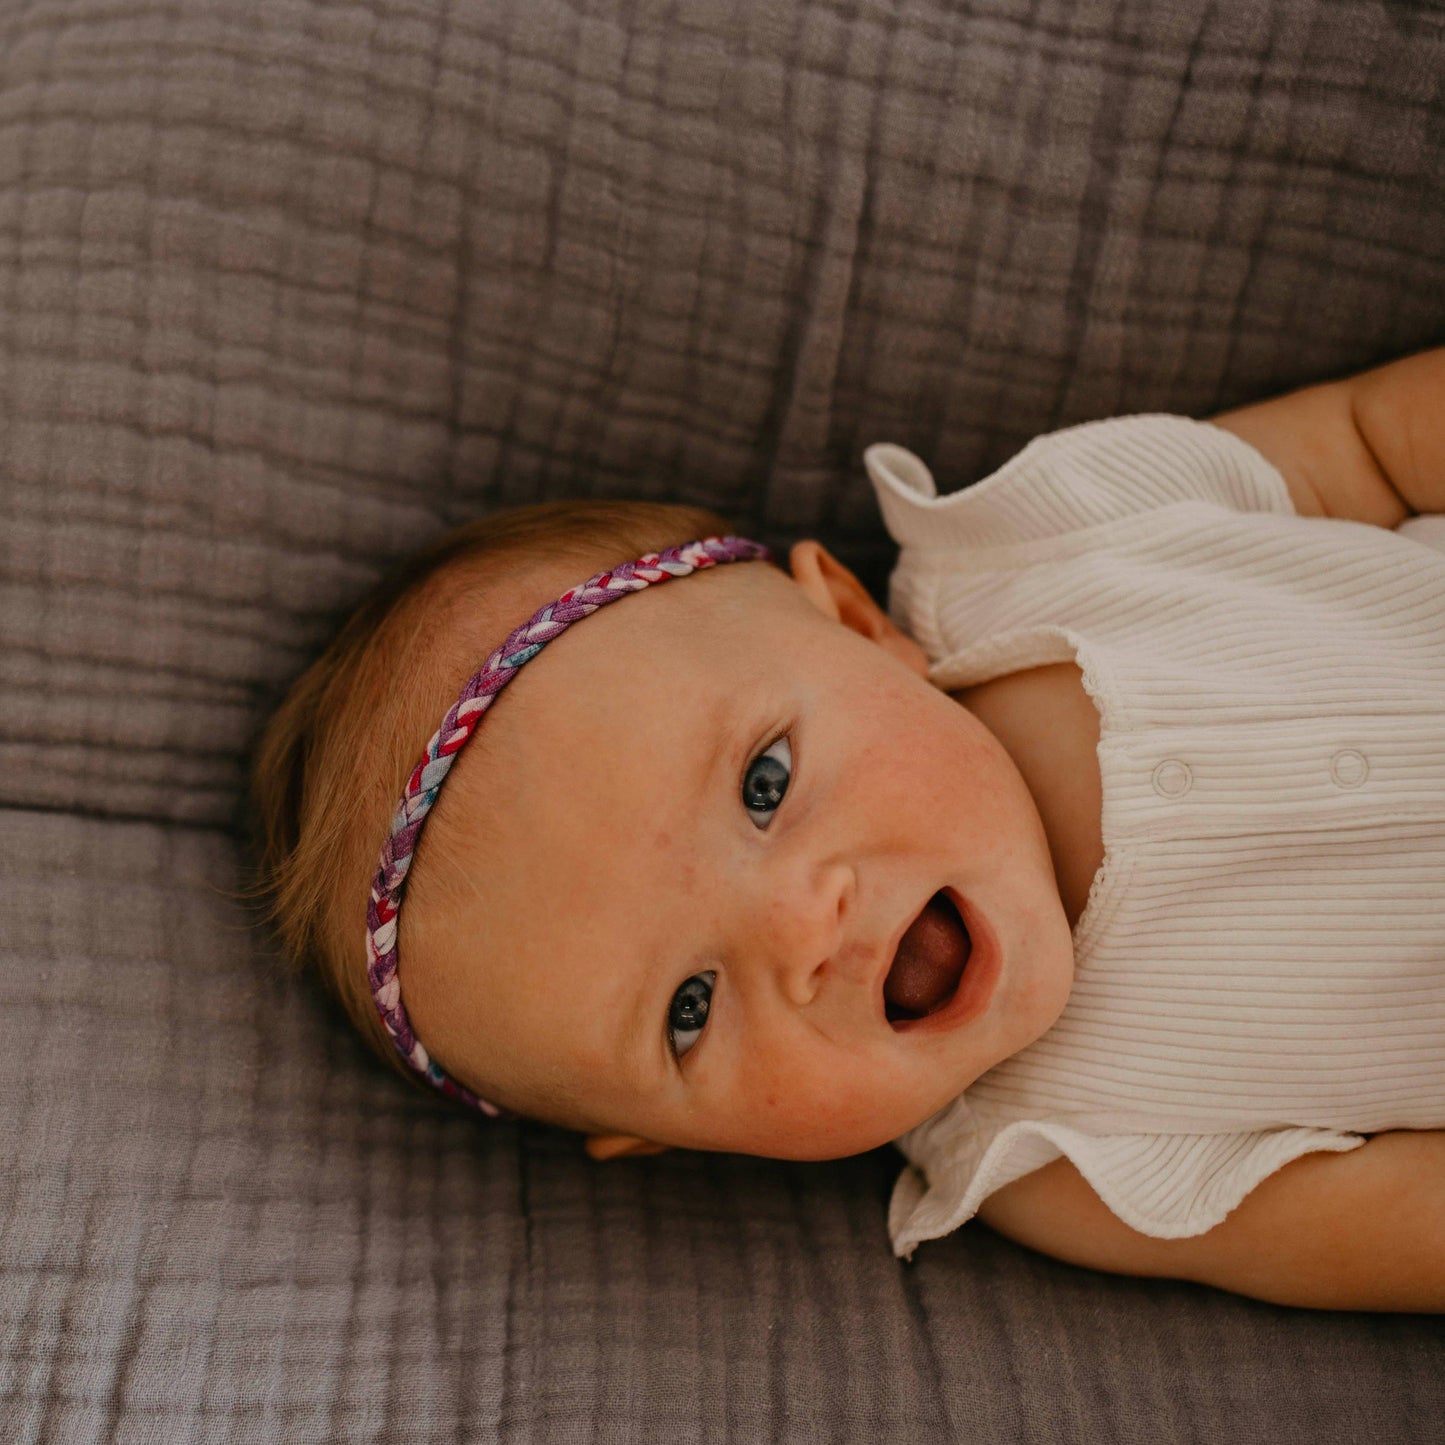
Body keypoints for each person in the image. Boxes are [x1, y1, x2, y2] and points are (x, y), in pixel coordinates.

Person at [246, 346, 1445, 1312]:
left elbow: (1372, 442)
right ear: (666, 1139)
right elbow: (1406, 1222)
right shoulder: (1062, 1162)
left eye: (764, 783)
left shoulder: (1045, 552)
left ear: (858, 622)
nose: (794, 928)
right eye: (687, 1009)